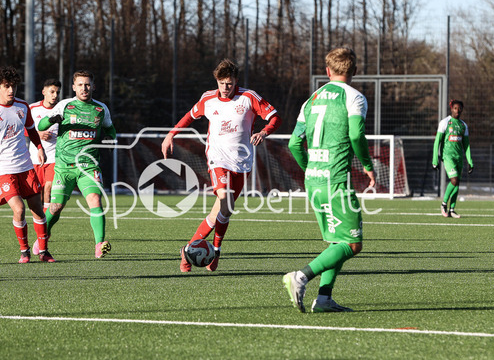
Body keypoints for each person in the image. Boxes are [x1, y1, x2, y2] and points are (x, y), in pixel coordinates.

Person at [161, 58, 282, 272]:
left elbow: (275, 118)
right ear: (216, 80)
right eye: (221, 83)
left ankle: (190, 251)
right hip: (217, 159)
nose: (225, 88)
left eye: (229, 83)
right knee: (225, 201)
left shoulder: (249, 97)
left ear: (236, 81)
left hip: (242, 163)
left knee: (221, 211)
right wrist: (171, 135)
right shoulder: (208, 99)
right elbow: (189, 116)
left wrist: (264, 132)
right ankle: (213, 253)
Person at [282, 47, 375, 312]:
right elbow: (356, 135)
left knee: (337, 241)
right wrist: (367, 165)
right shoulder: (354, 97)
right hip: (336, 180)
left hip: (314, 179)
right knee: (352, 244)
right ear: (354, 71)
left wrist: (310, 168)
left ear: (327, 71)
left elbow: (294, 143)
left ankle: (324, 299)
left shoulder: (311, 100)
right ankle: (301, 276)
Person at [0, 66, 55, 263]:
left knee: (37, 208)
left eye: (14, 86)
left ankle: (43, 251)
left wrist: (39, 147)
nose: (11, 90)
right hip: (2, 170)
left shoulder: (22, 106)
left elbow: (31, 130)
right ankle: (24, 251)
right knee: (19, 209)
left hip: (25, 167)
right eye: (6, 86)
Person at [36, 70, 116, 258]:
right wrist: (51, 119)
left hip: (88, 166)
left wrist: (110, 139)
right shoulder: (64, 106)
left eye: (87, 84)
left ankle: (99, 244)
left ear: (93, 86)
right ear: (73, 87)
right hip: (64, 167)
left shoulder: (101, 109)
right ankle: (41, 239)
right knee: (55, 207)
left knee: (95, 200)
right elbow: (40, 126)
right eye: (80, 85)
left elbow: (110, 129)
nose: (84, 88)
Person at [432, 99, 474, 218]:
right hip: (448, 156)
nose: (457, 111)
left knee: (457, 183)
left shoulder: (463, 125)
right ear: (451, 109)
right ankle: (444, 204)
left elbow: (466, 145)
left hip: (458, 157)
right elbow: (437, 142)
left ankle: (452, 209)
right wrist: (435, 160)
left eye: (460, 109)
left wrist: (470, 161)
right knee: (454, 180)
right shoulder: (445, 122)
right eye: (455, 108)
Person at [28, 78, 62, 212]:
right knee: (38, 194)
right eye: (52, 92)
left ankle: (46, 220)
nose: (55, 95)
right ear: (43, 92)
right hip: (36, 158)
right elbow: (21, 128)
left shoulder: (62, 109)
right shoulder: (32, 108)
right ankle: (40, 219)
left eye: (57, 92)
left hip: (54, 157)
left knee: (49, 189)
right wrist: (38, 134)